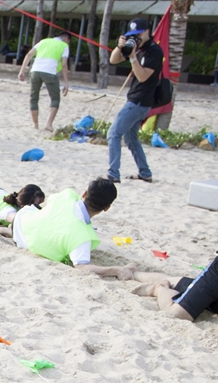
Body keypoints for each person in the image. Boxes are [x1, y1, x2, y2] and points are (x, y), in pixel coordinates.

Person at [13, 177, 141, 278]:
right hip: (25, 242)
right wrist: (116, 270)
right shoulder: (84, 235)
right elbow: (81, 267)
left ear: (84, 194)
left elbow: (43, 207)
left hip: (22, 217)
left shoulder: (67, 194)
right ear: (107, 208)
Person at [103, 18, 162, 184]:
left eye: (138, 34)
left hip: (140, 101)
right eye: (132, 35)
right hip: (137, 100)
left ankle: (113, 174)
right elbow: (113, 60)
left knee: (113, 134)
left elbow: (143, 77)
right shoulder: (136, 47)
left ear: (147, 32)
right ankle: (145, 173)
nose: (136, 38)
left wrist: (133, 57)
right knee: (130, 138)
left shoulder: (154, 51)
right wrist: (120, 46)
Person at [17, 28, 69, 132]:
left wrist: (22, 71)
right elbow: (64, 65)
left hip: (35, 71)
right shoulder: (64, 46)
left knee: (33, 98)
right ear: (66, 39)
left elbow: (29, 55)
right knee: (55, 98)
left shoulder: (43, 41)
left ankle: (35, 125)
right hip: (50, 72)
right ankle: (48, 124)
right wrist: (66, 83)